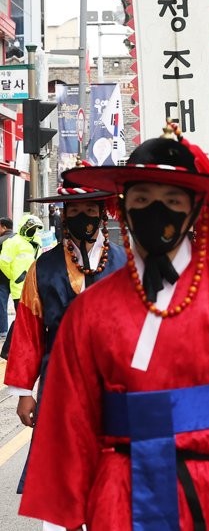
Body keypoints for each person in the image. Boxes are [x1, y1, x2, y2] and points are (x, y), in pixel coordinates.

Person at [19, 126, 209, 530]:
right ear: (122, 206)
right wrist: (70, 512)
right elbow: (70, 417)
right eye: (142, 199)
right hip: (120, 496)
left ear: (194, 208)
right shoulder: (91, 311)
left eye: (171, 200)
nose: (156, 210)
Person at [4, 176, 128, 505]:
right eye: (75, 210)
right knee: (62, 476)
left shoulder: (127, 264)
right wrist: (22, 393)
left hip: (116, 384)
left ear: (103, 215)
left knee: (115, 472)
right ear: (63, 214)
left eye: (90, 209)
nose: (83, 217)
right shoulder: (43, 267)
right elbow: (29, 331)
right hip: (60, 382)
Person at [0, 214, 44, 360]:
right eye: (31, 227)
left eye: (35, 228)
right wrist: (16, 277)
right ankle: (7, 349)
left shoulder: (36, 242)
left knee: (31, 318)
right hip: (19, 288)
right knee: (22, 318)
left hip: (35, 286)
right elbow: (3, 263)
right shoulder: (12, 242)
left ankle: (20, 348)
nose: (33, 230)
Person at [0, 217, 14, 341]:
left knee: (1, 304)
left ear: (4, 227)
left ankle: (3, 331)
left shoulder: (1, 240)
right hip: (17, 278)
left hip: (2, 278)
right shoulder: (18, 239)